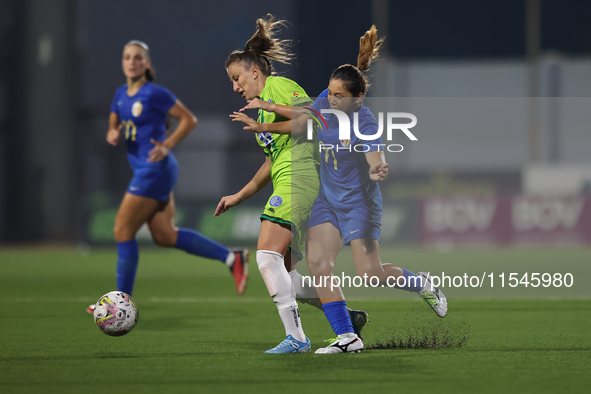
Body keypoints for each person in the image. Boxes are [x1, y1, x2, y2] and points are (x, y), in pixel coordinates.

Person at [240, 26, 447, 354]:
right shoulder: (324, 101)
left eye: (339, 96)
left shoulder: (364, 122)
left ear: (358, 99)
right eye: (330, 92)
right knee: (319, 264)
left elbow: (373, 153)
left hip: (359, 203)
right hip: (326, 199)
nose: (331, 99)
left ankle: (421, 283)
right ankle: (347, 338)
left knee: (371, 274)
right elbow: (303, 117)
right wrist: (265, 118)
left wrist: (377, 167)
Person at [88, 40, 248, 314]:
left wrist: (167, 144)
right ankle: (232, 257)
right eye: (127, 57)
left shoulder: (155, 94)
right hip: (145, 170)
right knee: (164, 235)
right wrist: (111, 133)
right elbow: (113, 124)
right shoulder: (120, 95)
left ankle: (120, 304)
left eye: (138, 57)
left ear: (147, 64)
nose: (132, 61)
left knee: (121, 229)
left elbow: (189, 119)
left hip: (156, 170)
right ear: (123, 62)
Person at [215, 15, 322, 354]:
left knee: (264, 257)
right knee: (287, 271)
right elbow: (270, 163)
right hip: (288, 181)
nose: (235, 87)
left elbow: (312, 121)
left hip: (300, 179)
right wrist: (238, 196)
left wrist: (268, 115)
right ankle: (345, 316)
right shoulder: (261, 110)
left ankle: (298, 339)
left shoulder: (276, 89)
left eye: (237, 78)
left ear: (255, 72)